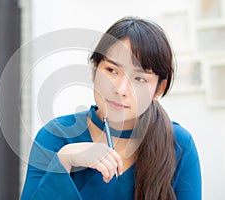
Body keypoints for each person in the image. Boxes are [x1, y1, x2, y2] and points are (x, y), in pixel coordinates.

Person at [20, 16, 201, 200]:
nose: (121, 89)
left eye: (139, 79)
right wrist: (64, 161)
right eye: (112, 70)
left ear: (159, 89)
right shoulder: (54, 137)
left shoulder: (180, 145)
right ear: (94, 70)